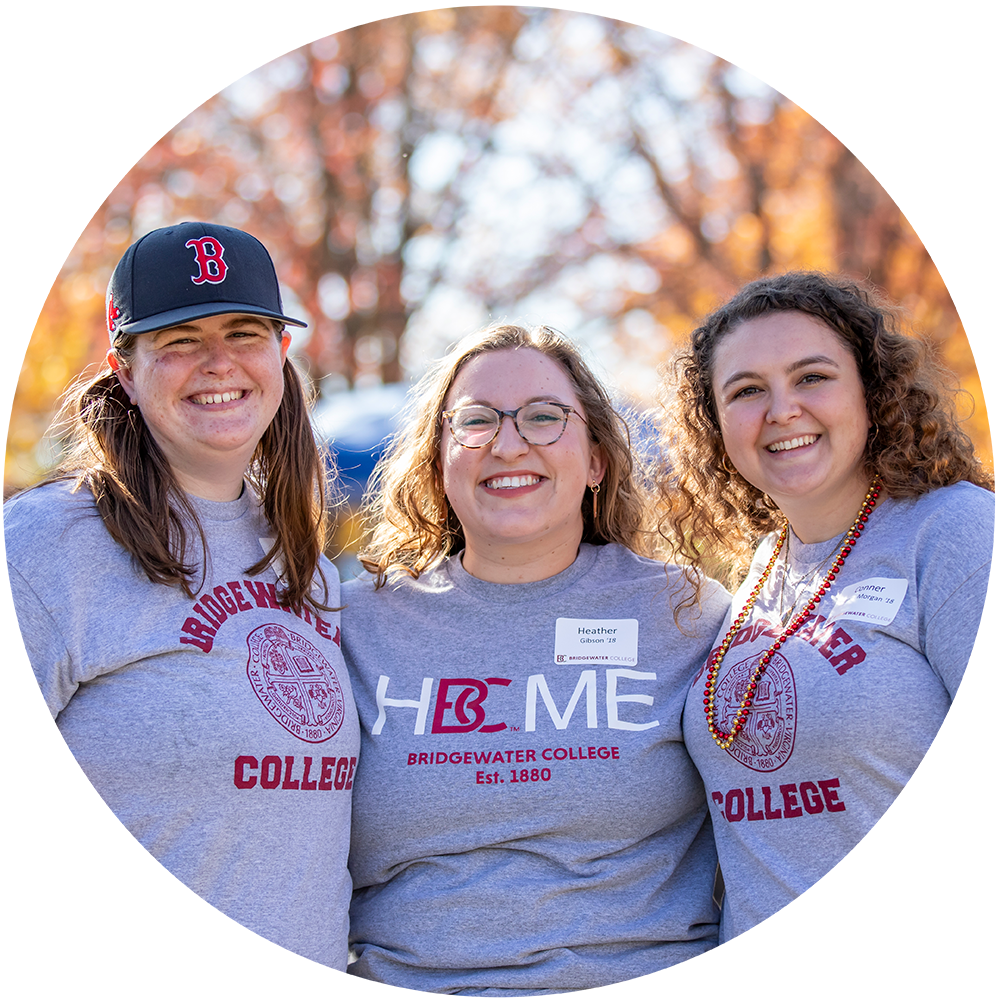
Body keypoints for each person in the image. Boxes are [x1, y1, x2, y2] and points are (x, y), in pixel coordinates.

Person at [3, 222, 359, 998]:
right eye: (178, 339)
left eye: (243, 331)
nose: (218, 362)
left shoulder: (305, 563)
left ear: (281, 357)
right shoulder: (46, 547)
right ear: (123, 371)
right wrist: (47, 992)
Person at [341, 322, 734, 998]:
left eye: (545, 417)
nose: (508, 442)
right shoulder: (354, 627)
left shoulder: (689, 615)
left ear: (597, 460)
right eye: (475, 420)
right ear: (437, 460)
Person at [658, 271, 995, 998]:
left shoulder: (955, 531)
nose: (782, 410)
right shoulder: (761, 568)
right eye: (745, 390)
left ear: (873, 391)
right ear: (715, 425)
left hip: (931, 980)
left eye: (812, 376)